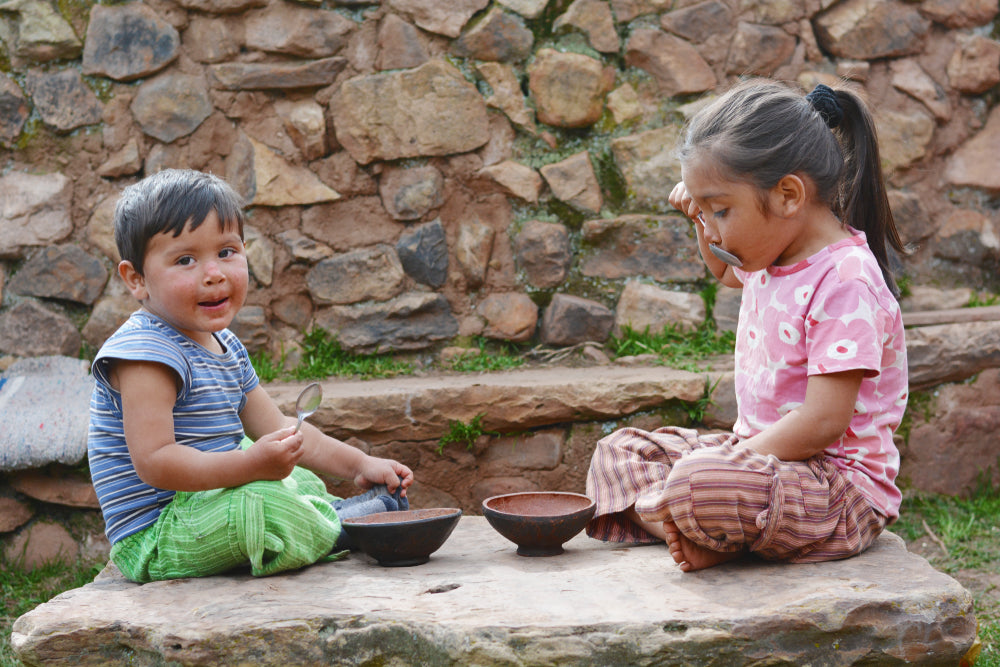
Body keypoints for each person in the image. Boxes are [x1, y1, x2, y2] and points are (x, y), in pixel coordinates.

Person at [585, 80, 908, 572]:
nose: (712, 228)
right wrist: (700, 218)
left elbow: (823, 422)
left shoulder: (846, 281)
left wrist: (725, 465)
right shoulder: (771, 251)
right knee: (620, 451)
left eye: (721, 210)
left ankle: (683, 515)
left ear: (787, 195)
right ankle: (692, 527)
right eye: (706, 212)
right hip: (760, 461)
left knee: (700, 481)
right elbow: (722, 269)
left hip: (835, 489)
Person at [88, 169, 414, 583]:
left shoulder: (224, 344)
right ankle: (345, 529)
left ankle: (331, 515)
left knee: (292, 471)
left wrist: (359, 464)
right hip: (160, 533)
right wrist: (249, 466)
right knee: (260, 502)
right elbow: (155, 462)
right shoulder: (144, 355)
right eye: (185, 259)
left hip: (213, 501)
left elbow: (280, 428)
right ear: (137, 279)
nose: (214, 273)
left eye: (227, 252)